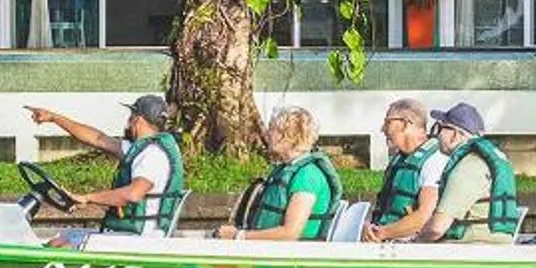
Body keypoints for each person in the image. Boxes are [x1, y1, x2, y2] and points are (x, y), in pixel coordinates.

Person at [25, 94, 186, 236]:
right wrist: (54, 118)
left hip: (138, 239)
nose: (128, 122)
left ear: (137, 119)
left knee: (62, 244)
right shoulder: (140, 148)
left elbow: (133, 194)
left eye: (131, 116)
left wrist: (88, 198)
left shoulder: (152, 154)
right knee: (63, 238)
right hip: (128, 234)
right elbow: (96, 138)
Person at [220, 106, 343, 242]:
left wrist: (239, 236)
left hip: (293, 256)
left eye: (272, 129)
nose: (267, 134)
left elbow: (290, 233)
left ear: (290, 135)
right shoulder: (286, 169)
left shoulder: (307, 176)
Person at [423, 102, 520, 243]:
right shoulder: (483, 161)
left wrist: (415, 242)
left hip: (469, 249)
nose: (437, 134)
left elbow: (436, 229)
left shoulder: (468, 167)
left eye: (441, 128)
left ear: (455, 135)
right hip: (494, 247)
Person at [365, 98, 447, 242]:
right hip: (385, 243)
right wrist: (368, 228)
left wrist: (383, 233)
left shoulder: (434, 160)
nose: (382, 129)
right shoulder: (399, 160)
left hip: (411, 249)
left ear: (405, 123)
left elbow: (425, 216)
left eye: (388, 122)